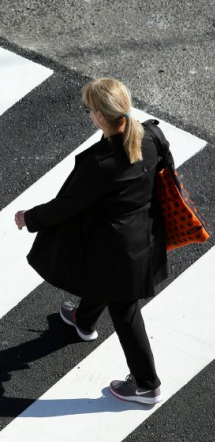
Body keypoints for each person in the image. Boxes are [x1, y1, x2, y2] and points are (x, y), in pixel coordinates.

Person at [15, 77, 173, 405]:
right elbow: (165, 173)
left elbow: (67, 206)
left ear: (100, 116)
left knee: (125, 310)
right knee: (107, 283)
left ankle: (147, 384)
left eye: (89, 110)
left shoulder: (102, 164)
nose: (89, 115)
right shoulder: (151, 136)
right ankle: (83, 320)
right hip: (140, 237)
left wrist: (29, 218)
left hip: (113, 248)